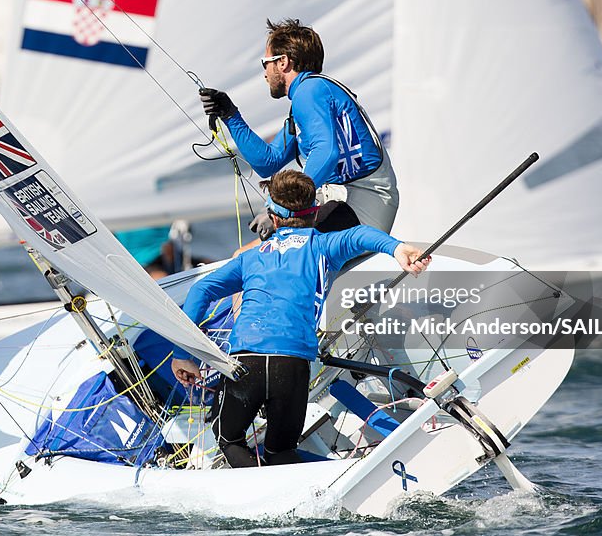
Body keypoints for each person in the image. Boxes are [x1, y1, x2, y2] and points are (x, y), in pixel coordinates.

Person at [170, 170, 429, 468]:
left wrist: (183, 354)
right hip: (292, 366)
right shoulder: (323, 246)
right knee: (280, 452)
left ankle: (260, 497)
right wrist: (397, 248)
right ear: (315, 212)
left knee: (228, 438)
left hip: (247, 362)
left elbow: (201, 290)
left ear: (274, 217)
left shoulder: (250, 258)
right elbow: (361, 235)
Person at [199, 18, 398, 238]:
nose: (264, 73)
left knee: (267, 253)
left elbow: (326, 152)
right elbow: (268, 162)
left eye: (265, 62)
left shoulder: (309, 90)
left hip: (363, 204)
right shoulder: (309, 96)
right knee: (263, 250)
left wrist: (279, 206)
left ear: (282, 62)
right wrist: (231, 115)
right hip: (346, 199)